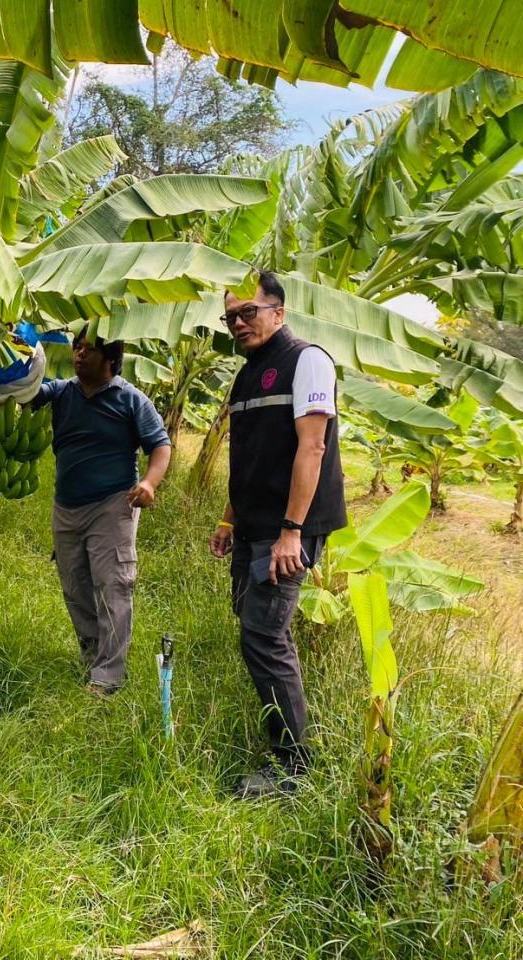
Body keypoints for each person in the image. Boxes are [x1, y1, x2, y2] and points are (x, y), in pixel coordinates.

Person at [208, 271, 347, 800]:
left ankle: (293, 766)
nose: (239, 323)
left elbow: (311, 448)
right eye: (231, 318)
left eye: (249, 312)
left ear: (279, 312)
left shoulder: (306, 360)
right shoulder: (246, 376)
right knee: (258, 629)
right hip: (254, 524)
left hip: (290, 528)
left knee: (264, 635)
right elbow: (247, 458)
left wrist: (292, 532)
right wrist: (228, 518)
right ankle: (285, 738)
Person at [31, 332, 171, 696]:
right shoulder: (62, 392)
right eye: (77, 347)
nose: (78, 354)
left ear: (110, 358)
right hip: (67, 504)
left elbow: (160, 446)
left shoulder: (131, 400)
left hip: (112, 504)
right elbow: (27, 394)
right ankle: (92, 654)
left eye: (88, 349)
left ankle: (108, 676)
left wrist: (150, 484)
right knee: (75, 585)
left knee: (112, 586)